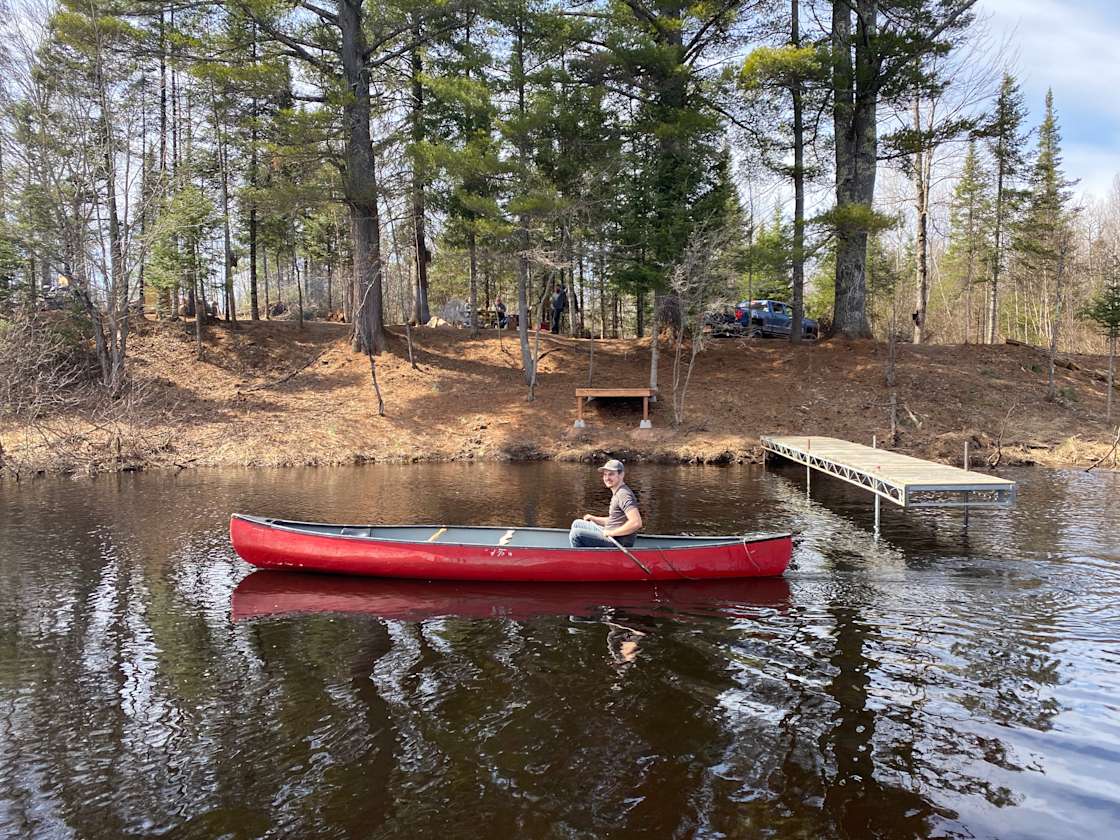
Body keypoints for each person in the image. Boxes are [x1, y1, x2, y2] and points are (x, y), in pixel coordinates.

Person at [569, 459, 643, 548]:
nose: (607, 478)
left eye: (611, 474)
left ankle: (582, 560)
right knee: (577, 523)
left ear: (621, 475)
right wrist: (594, 518)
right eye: (605, 474)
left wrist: (612, 533)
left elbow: (636, 523)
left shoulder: (624, 495)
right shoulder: (617, 492)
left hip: (617, 542)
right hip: (610, 533)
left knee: (576, 534)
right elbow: (615, 520)